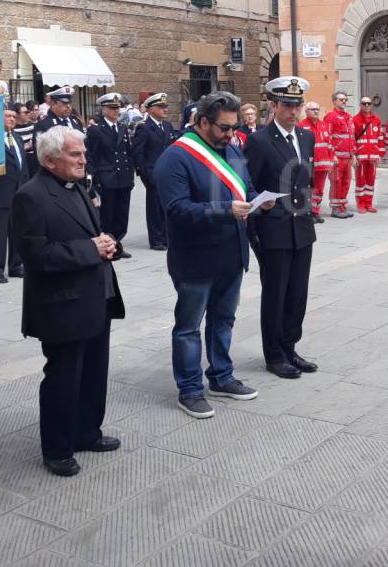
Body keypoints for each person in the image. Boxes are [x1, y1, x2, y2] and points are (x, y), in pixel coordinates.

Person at [11, 126, 125, 477]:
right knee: (64, 377)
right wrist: (90, 249)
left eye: (83, 153)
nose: (83, 159)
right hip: (63, 305)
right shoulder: (31, 196)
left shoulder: (77, 186)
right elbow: (37, 255)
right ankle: (57, 448)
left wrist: (108, 245)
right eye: (75, 154)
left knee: (94, 372)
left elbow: (88, 236)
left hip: (95, 296)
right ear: (50, 160)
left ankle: (87, 432)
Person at [155, 92, 274, 418]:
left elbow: (245, 190)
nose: (230, 134)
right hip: (195, 258)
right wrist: (226, 210)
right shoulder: (175, 157)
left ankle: (221, 377)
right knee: (189, 327)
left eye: (233, 127)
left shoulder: (233, 149)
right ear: (202, 121)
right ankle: (190, 389)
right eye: (223, 127)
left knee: (224, 320)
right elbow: (176, 209)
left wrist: (260, 202)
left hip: (231, 254)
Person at [244, 76, 319, 379]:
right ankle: (274, 354)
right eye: (287, 105)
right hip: (274, 229)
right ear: (273, 105)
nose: (293, 111)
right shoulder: (260, 141)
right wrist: (256, 224)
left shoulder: (305, 137)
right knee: (276, 294)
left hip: (301, 228)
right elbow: (249, 185)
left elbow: (306, 181)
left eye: (297, 105)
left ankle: (290, 346)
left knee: (298, 293)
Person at [0, 109, 29, 283]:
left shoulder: (17, 138)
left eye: (14, 117)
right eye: (7, 116)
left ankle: (16, 265)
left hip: (19, 192)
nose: (11, 119)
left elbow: (22, 166)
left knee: (17, 232)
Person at [85, 93, 135, 259]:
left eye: (117, 108)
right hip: (107, 178)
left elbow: (128, 152)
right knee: (108, 215)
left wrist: (131, 174)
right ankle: (108, 246)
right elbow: (90, 156)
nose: (116, 111)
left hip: (123, 177)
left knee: (122, 214)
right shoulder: (96, 130)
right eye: (112, 108)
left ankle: (117, 243)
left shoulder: (122, 128)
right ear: (104, 109)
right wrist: (93, 177)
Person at [132, 93, 175, 251]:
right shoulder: (144, 128)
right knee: (155, 208)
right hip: (152, 173)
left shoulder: (167, 126)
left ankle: (166, 236)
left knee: (167, 205)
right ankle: (156, 240)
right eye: (161, 107)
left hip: (167, 173)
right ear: (150, 109)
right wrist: (145, 175)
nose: (165, 109)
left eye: (165, 106)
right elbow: (138, 154)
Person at [323, 90, 356, 218]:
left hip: (347, 156)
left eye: (345, 99)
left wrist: (353, 154)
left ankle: (342, 206)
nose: (344, 101)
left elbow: (351, 137)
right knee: (336, 182)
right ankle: (335, 208)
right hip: (337, 157)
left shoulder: (348, 117)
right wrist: (332, 155)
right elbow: (327, 137)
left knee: (346, 181)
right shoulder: (330, 117)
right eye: (341, 99)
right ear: (334, 101)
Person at [298, 101, 332, 224]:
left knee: (319, 190)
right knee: (308, 189)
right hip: (309, 165)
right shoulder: (301, 126)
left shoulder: (324, 125)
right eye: (313, 109)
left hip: (322, 165)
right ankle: (307, 213)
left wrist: (331, 160)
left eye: (317, 109)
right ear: (306, 112)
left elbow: (329, 144)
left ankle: (316, 212)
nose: (316, 111)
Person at [353, 97, 383, 213]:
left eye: (368, 103)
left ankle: (368, 203)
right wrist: (354, 155)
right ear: (360, 105)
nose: (366, 105)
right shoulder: (355, 119)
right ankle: (360, 204)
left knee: (371, 181)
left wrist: (380, 153)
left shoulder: (376, 119)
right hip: (361, 156)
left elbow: (380, 137)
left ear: (371, 105)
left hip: (373, 156)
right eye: (364, 103)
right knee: (360, 182)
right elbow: (352, 138)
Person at [12, 102, 39, 177]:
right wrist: (25, 147)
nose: (29, 114)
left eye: (29, 112)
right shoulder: (12, 130)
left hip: (35, 163)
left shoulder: (32, 126)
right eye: (26, 112)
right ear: (17, 114)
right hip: (23, 164)